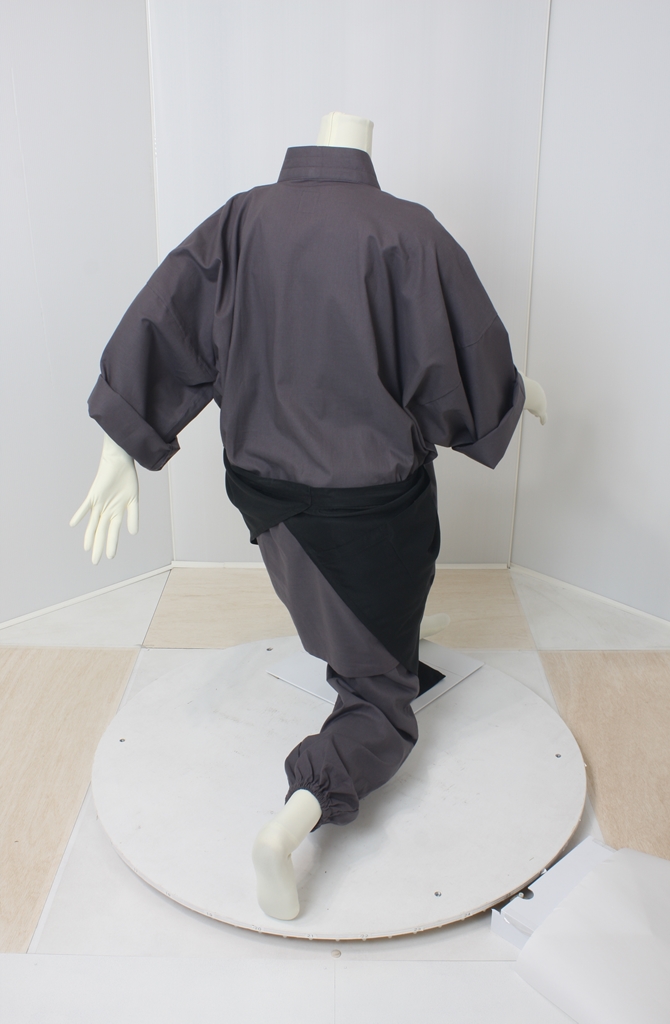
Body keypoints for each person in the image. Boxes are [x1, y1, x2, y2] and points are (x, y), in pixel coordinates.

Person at [71, 112, 547, 920]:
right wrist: (514, 393)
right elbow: (459, 359)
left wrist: (122, 443)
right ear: (366, 148)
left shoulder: (240, 221)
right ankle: (292, 823)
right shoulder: (409, 232)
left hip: (264, 491)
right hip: (367, 510)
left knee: (349, 607)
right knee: (381, 701)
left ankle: (370, 640)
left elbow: (167, 322)